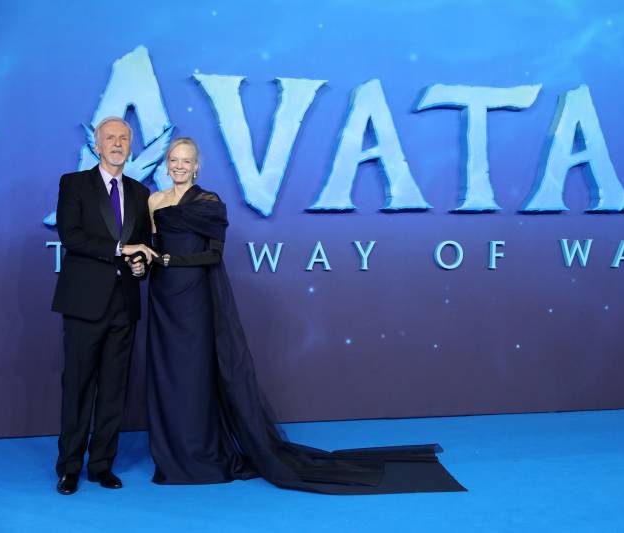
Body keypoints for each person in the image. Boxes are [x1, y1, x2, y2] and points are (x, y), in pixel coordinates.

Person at [140, 137, 465, 494]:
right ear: (166, 163)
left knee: (196, 375)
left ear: (197, 166)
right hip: (163, 298)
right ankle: (172, 456)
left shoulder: (208, 202)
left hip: (196, 300)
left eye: (186, 160)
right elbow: (154, 249)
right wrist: (146, 261)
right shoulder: (153, 201)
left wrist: (169, 261)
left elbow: (212, 255)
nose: (180, 166)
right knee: (168, 374)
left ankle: (199, 454)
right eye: (174, 159)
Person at [51, 116, 156, 495]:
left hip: (124, 305)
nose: (117, 143)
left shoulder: (141, 193)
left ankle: (101, 465)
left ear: (130, 146)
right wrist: (118, 250)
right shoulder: (74, 184)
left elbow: (141, 247)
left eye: (123, 138)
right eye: (110, 137)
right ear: (97, 145)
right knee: (78, 387)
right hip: (84, 304)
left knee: (114, 389)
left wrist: (140, 264)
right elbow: (71, 236)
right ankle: (69, 468)